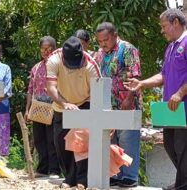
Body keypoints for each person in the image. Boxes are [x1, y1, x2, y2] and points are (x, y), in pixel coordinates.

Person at [125, 9, 187, 189]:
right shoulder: (170, 47)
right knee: (170, 145)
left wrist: (180, 93)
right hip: (170, 109)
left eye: (163, 26)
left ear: (175, 22)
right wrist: (141, 84)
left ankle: (182, 185)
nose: (162, 30)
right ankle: (183, 182)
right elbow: (164, 76)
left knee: (183, 148)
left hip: (183, 107)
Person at [46, 36, 101, 188]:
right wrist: (65, 104)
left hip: (85, 103)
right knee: (60, 142)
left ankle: (82, 180)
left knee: (81, 143)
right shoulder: (53, 60)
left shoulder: (91, 65)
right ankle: (70, 177)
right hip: (61, 105)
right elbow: (50, 88)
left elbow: (98, 93)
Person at [95, 22, 141, 187]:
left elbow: (134, 76)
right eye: (100, 41)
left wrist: (129, 97)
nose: (103, 44)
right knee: (112, 142)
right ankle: (116, 174)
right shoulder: (100, 53)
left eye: (106, 40)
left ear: (115, 35)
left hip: (127, 103)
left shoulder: (127, 49)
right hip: (108, 105)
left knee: (127, 140)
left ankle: (130, 176)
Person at [24, 36, 61, 178]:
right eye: (43, 49)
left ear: (54, 49)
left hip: (53, 106)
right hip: (38, 106)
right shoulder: (36, 67)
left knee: (52, 139)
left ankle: (54, 170)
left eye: (48, 49)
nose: (45, 51)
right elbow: (30, 90)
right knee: (39, 139)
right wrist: (27, 109)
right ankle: (43, 168)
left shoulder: (58, 65)